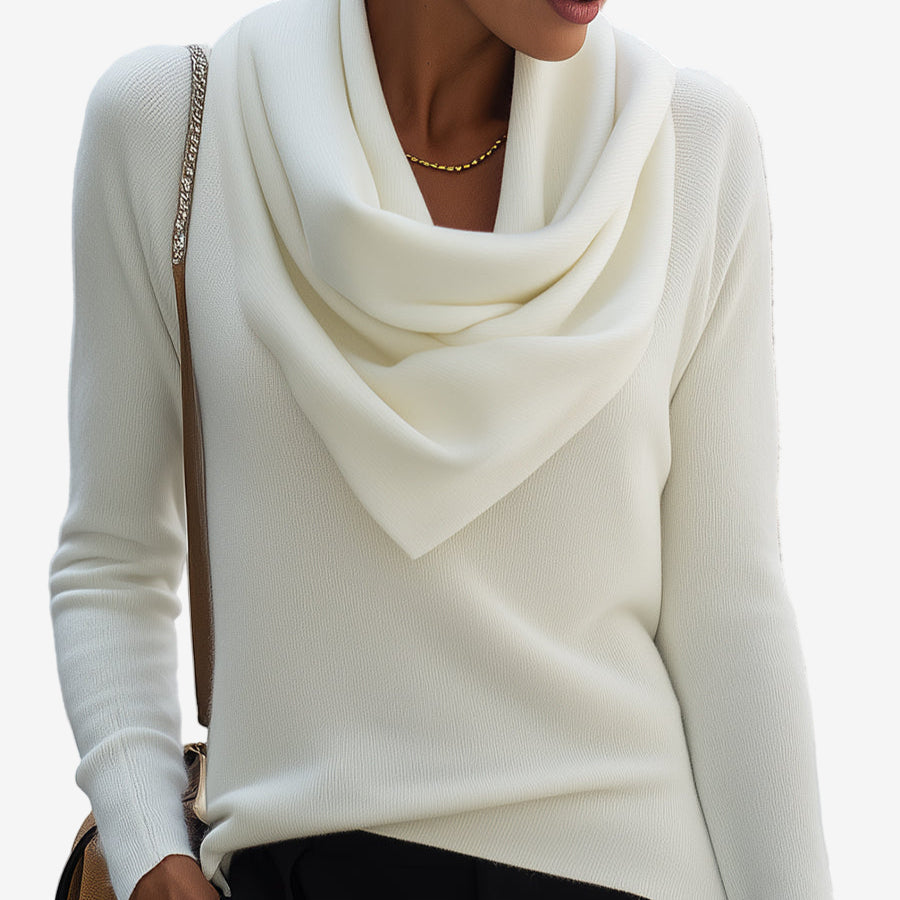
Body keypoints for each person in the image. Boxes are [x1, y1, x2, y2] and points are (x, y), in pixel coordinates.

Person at [48, 0, 835, 898]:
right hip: (301, 865)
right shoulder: (176, 126)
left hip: (631, 869)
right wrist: (149, 851)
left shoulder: (689, 144)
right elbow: (111, 559)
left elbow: (731, 606)